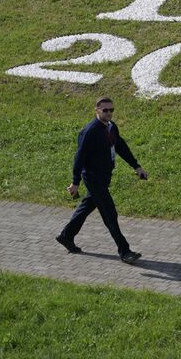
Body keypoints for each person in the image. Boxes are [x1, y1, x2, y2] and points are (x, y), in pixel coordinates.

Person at [56, 97, 148, 264]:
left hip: (104, 176)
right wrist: (75, 182)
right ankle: (125, 251)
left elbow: (121, 147)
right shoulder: (90, 131)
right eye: (105, 110)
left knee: (87, 206)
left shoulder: (111, 128)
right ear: (97, 110)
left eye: (111, 110)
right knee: (109, 214)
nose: (109, 113)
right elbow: (79, 158)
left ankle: (66, 236)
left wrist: (137, 166)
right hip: (93, 177)